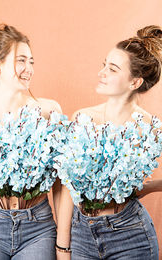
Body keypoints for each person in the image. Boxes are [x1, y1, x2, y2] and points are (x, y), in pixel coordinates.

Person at [56, 25, 162, 260]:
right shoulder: (82, 118)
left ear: (134, 82)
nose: (101, 73)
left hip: (131, 236)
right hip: (81, 234)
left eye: (112, 69)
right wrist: (62, 247)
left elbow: (131, 187)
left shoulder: (150, 128)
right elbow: (67, 187)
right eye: (103, 65)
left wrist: (149, 187)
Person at [0, 23, 62, 259]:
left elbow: (60, 181)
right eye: (21, 60)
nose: (29, 69)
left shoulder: (48, 111)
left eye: (32, 61)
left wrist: (64, 241)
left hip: (38, 228)